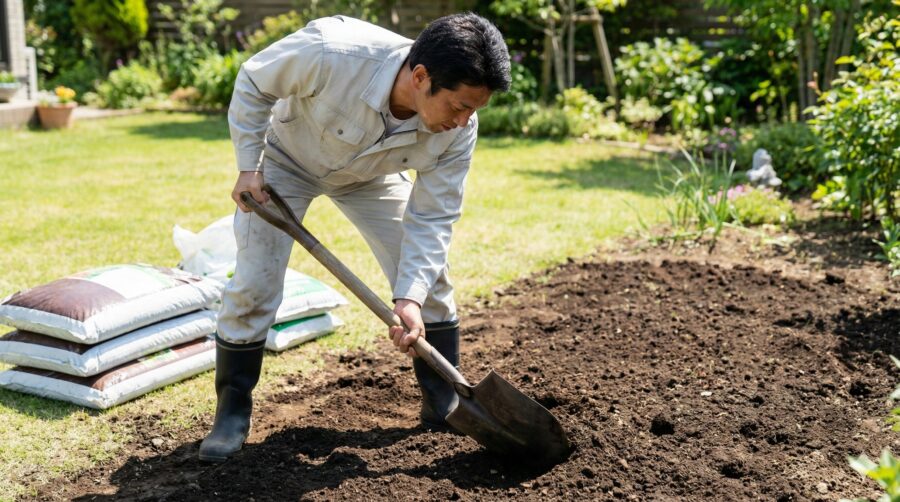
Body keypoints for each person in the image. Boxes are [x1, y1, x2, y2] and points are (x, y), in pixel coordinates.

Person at [198, 12, 511, 462]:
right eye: (459, 106)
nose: (464, 121)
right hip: (286, 162)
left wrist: (410, 298)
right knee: (255, 283)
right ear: (421, 76)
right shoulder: (333, 51)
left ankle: (443, 400)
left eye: (474, 110)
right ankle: (231, 412)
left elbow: (435, 216)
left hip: (370, 177)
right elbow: (254, 81)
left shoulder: (458, 134)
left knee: (431, 282)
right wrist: (249, 165)